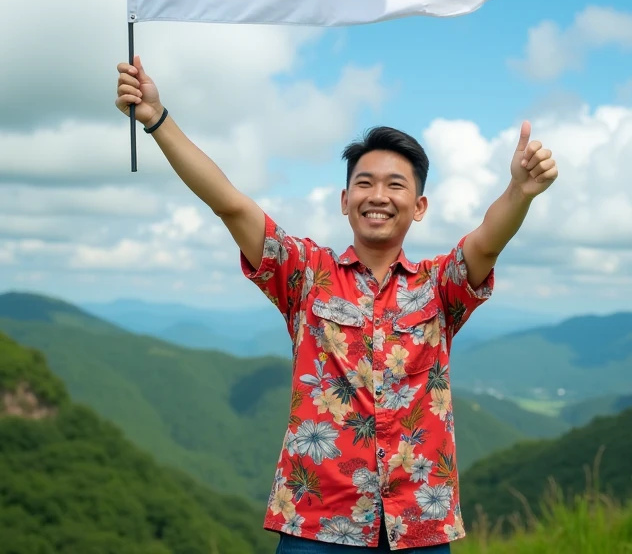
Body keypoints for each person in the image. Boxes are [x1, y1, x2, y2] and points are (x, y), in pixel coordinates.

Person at [116, 56, 558, 552]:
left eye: (397, 185)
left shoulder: (439, 285)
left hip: (419, 524)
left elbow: (486, 243)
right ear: (344, 200)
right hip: (317, 524)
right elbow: (230, 203)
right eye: (365, 183)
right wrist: (157, 120)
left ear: (419, 206)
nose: (379, 195)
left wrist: (519, 191)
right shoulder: (306, 274)